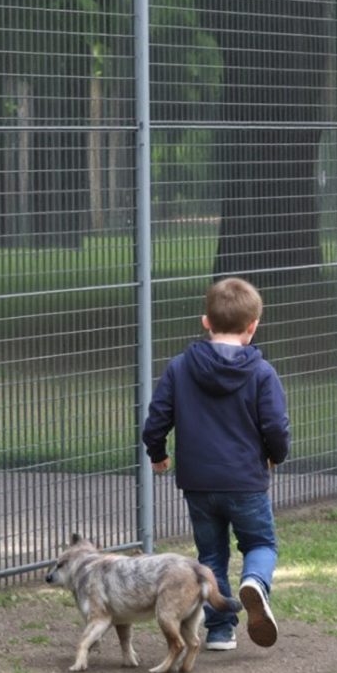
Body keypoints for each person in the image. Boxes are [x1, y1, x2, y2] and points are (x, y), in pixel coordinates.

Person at [140, 277, 285, 651]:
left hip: (199, 483)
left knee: (211, 555)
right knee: (261, 543)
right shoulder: (261, 373)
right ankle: (254, 582)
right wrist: (275, 454)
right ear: (253, 326)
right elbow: (275, 426)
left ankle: (220, 629)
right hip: (245, 481)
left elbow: (156, 419)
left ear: (206, 321)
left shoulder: (180, 367)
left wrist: (158, 454)